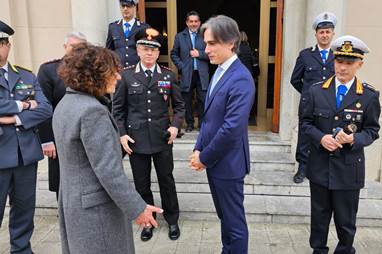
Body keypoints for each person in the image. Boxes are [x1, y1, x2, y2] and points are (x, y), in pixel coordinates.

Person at [53, 43, 163, 254]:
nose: (119, 77)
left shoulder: (65, 103)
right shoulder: (92, 112)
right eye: (114, 72)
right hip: (96, 211)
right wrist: (138, 209)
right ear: (96, 74)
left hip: (73, 202)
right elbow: (108, 171)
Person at [302, 35, 381, 254]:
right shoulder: (316, 90)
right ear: (333, 61)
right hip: (320, 167)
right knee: (319, 219)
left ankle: (345, 251)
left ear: (359, 64)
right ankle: (318, 250)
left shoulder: (368, 96)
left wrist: (355, 139)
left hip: (348, 169)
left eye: (349, 63)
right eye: (339, 62)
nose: (343, 68)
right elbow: (306, 123)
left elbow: (373, 131)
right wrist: (321, 138)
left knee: (346, 222)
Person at [190, 15, 255, 254]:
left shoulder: (240, 77)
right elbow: (209, 119)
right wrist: (198, 147)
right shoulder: (219, 71)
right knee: (225, 219)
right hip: (216, 162)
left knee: (234, 224)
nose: (206, 49)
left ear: (230, 42)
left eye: (211, 44)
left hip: (228, 164)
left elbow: (231, 128)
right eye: (206, 43)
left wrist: (204, 157)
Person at [113, 28, 184, 242]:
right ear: (137, 49)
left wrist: (175, 126)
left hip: (163, 138)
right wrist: (122, 135)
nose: (149, 53)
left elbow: (180, 107)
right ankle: (147, 221)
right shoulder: (126, 76)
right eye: (145, 48)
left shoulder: (168, 75)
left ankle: (172, 220)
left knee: (166, 181)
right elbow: (117, 111)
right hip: (136, 141)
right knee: (142, 184)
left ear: (158, 51)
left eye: (153, 50)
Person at [0, 20, 53, 254]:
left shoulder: (25, 75)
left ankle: (21, 250)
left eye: (2, 43)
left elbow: (45, 108)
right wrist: (24, 104)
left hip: (25, 156)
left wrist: (14, 118)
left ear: (8, 46)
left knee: (24, 209)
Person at [37, 31, 87, 200]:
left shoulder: (91, 71)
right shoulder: (49, 70)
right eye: (73, 47)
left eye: (81, 48)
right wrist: (47, 140)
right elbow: (44, 107)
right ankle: (64, 212)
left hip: (86, 132)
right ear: (65, 47)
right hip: (60, 135)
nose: (77, 51)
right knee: (62, 179)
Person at [291, 12, 337, 184]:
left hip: (331, 105)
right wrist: (308, 94)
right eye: (321, 32)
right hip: (309, 105)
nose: (324, 35)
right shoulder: (305, 55)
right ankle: (302, 168)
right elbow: (295, 79)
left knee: (328, 134)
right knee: (305, 135)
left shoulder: (338, 56)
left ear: (333, 34)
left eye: (328, 32)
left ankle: (324, 169)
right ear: (316, 34)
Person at [170, 11, 209, 132]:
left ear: (200, 23)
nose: (193, 24)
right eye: (191, 21)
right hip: (187, 73)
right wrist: (181, 66)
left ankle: (202, 125)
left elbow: (212, 53)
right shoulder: (180, 36)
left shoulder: (205, 36)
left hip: (201, 74)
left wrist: (199, 54)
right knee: (187, 100)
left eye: (196, 21)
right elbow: (173, 54)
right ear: (187, 23)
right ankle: (190, 124)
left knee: (203, 100)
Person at [106, 0, 150, 68]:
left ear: (134, 7)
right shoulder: (113, 27)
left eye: (128, 6)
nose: (125, 9)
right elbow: (109, 51)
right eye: (123, 6)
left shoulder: (143, 27)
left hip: (136, 70)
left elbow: (148, 50)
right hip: (118, 70)